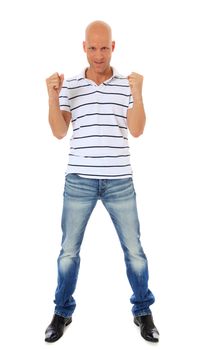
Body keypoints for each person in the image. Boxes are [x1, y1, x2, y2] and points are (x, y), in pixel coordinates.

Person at [45, 20, 159, 343]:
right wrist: (53, 98)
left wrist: (138, 93)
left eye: (104, 47)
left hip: (119, 180)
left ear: (113, 47)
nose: (98, 55)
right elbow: (58, 131)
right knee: (68, 251)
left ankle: (143, 311)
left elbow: (136, 130)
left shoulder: (125, 85)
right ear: (84, 47)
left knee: (135, 251)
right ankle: (61, 311)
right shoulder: (71, 85)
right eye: (92, 48)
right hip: (79, 179)